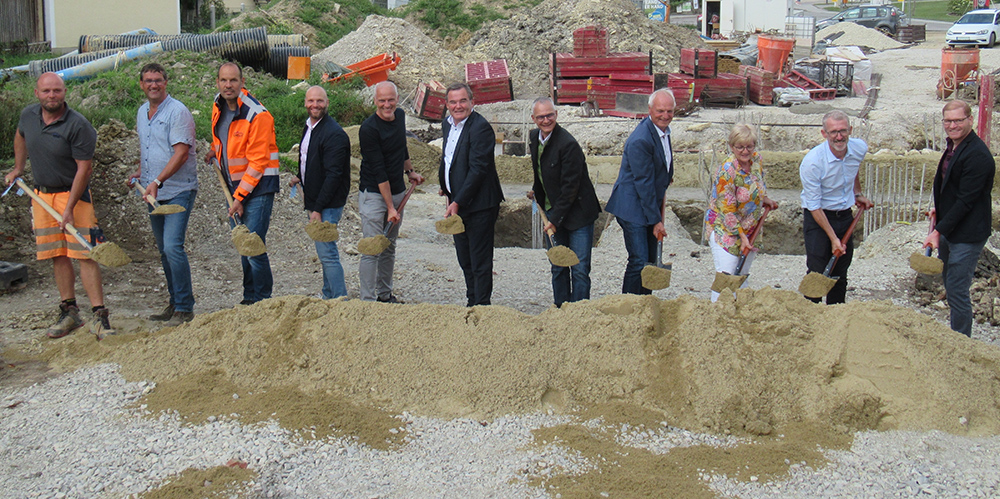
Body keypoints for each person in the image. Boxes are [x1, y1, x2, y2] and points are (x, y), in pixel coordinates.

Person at [4, 72, 114, 338]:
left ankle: (100, 316)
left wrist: (68, 208)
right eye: (46, 91)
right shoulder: (28, 116)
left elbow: (84, 170)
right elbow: (20, 136)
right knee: (57, 253)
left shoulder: (78, 125)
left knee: (85, 254)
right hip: (41, 197)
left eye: (57, 91)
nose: (51, 96)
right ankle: (70, 312)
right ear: (37, 93)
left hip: (74, 196)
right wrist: (19, 167)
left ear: (64, 92)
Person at [127, 63, 198, 326]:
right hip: (152, 191)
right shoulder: (142, 112)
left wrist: (156, 180)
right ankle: (175, 301)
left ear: (166, 82)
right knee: (163, 250)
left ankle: (185, 307)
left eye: (158, 80)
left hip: (178, 190)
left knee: (172, 247)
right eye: (148, 81)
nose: (153, 85)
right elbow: (150, 150)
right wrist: (140, 173)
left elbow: (180, 154)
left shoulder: (177, 112)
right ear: (141, 84)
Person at [206, 62, 279, 305]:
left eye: (233, 80)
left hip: (258, 188)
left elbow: (258, 162)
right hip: (235, 188)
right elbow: (225, 140)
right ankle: (249, 299)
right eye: (224, 80)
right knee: (242, 245)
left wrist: (239, 199)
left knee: (253, 245)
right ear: (217, 82)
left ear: (242, 82)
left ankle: (263, 300)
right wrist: (214, 150)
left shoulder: (257, 115)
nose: (228, 85)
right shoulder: (218, 106)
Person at [923, 100, 995, 337]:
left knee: (956, 288)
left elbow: (966, 201)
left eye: (958, 120)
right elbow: (950, 187)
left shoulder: (978, 155)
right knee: (950, 282)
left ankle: (961, 340)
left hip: (967, 233)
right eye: (948, 121)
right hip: (951, 228)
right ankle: (957, 335)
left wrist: (937, 231)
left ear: (970, 120)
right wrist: (939, 212)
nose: (952, 125)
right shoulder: (955, 146)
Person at [526, 97, 600, 306]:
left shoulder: (568, 145)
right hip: (553, 211)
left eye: (550, 115)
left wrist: (554, 221)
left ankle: (579, 312)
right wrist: (537, 191)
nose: (546, 120)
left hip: (578, 215)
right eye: (541, 117)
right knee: (558, 265)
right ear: (534, 119)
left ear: (556, 115)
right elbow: (541, 170)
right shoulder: (534, 138)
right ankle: (561, 311)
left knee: (579, 267)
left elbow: (570, 188)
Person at [358, 81, 425, 303]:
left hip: (397, 191)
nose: (387, 105)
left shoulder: (400, 117)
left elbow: (401, 146)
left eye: (391, 100)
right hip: (374, 194)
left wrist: (410, 171)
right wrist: (389, 208)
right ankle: (368, 301)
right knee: (373, 246)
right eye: (382, 101)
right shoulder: (368, 129)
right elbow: (379, 172)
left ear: (397, 99)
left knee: (389, 246)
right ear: (375, 101)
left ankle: (384, 296)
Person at [605, 88, 676, 295]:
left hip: (647, 202)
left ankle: (645, 304)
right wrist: (656, 221)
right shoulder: (641, 139)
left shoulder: (662, 132)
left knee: (651, 261)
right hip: (632, 206)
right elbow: (643, 184)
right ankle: (629, 306)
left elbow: (661, 166)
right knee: (639, 260)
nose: (665, 116)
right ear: (650, 109)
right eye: (661, 111)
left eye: (669, 111)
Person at [438, 83, 504, 306]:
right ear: (447, 105)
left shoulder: (480, 128)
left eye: (463, 101)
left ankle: (482, 307)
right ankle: (471, 300)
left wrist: (457, 200)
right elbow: (450, 159)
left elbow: (478, 170)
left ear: (472, 102)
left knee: (480, 260)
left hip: (480, 205)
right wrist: (446, 186)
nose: (458, 106)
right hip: (458, 202)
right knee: (464, 258)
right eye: (453, 102)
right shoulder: (448, 124)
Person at [799, 110, 874, 305]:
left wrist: (857, 193)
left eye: (843, 131)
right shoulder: (812, 163)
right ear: (824, 134)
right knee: (817, 270)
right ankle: (810, 316)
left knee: (840, 271)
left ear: (850, 130)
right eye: (833, 132)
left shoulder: (859, 148)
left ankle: (836, 317)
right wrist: (833, 239)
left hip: (845, 215)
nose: (839, 136)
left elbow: (854, 166)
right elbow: (814, 206)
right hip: (818, 217)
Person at [289, 85, 351, 299]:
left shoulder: (334, 134)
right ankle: (327, 295)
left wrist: (317, 209)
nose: (315, 105)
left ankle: (340, 300)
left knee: (328, 254)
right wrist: (300, 175)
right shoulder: (310, 126)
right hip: (316, 199)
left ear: (327, 104)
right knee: (325, 254)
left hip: (328, 203)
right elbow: (308, 157)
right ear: (306, 103)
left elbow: (334, 175)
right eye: (311, 101)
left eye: (320, 101)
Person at [705, 124, 778, 302]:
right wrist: (742, 237)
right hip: (726, 229)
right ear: (732, 146)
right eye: (740, 147)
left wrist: (764, 199)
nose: (745, 151)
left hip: (750, 226)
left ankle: (740, 314)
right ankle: (718, 313)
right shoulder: (727, 171)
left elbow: (757, 186)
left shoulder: (756, 161)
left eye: (749, 146)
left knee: (742, 274)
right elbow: (727, 211)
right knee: (728, 276)